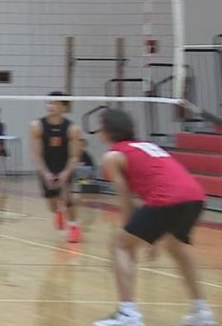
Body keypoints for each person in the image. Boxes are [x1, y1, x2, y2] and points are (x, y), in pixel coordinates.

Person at [93, 108, 213, 326]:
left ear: (107, 130)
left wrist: (136, 234)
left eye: (100, 127)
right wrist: (149, 235)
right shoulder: (147, 146)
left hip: (167, 199)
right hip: (195, 197)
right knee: (176, 247)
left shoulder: (112, 156)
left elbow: (125, 200)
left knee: (121, 244)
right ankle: (201, 311)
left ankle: (127, 313)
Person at [30, 91, 84, 243]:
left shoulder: (72, 129)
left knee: (67, 197)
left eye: (55, 103)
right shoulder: (37, 126)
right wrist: (45, 173)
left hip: (65, 164)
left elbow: (74, 156)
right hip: (46, 165)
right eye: (49, 102)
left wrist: (66, 173)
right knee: (52, 203)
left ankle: (73, 226)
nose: (51, 105)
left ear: (64, 107)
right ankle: (59, 211)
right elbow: (36, 154)